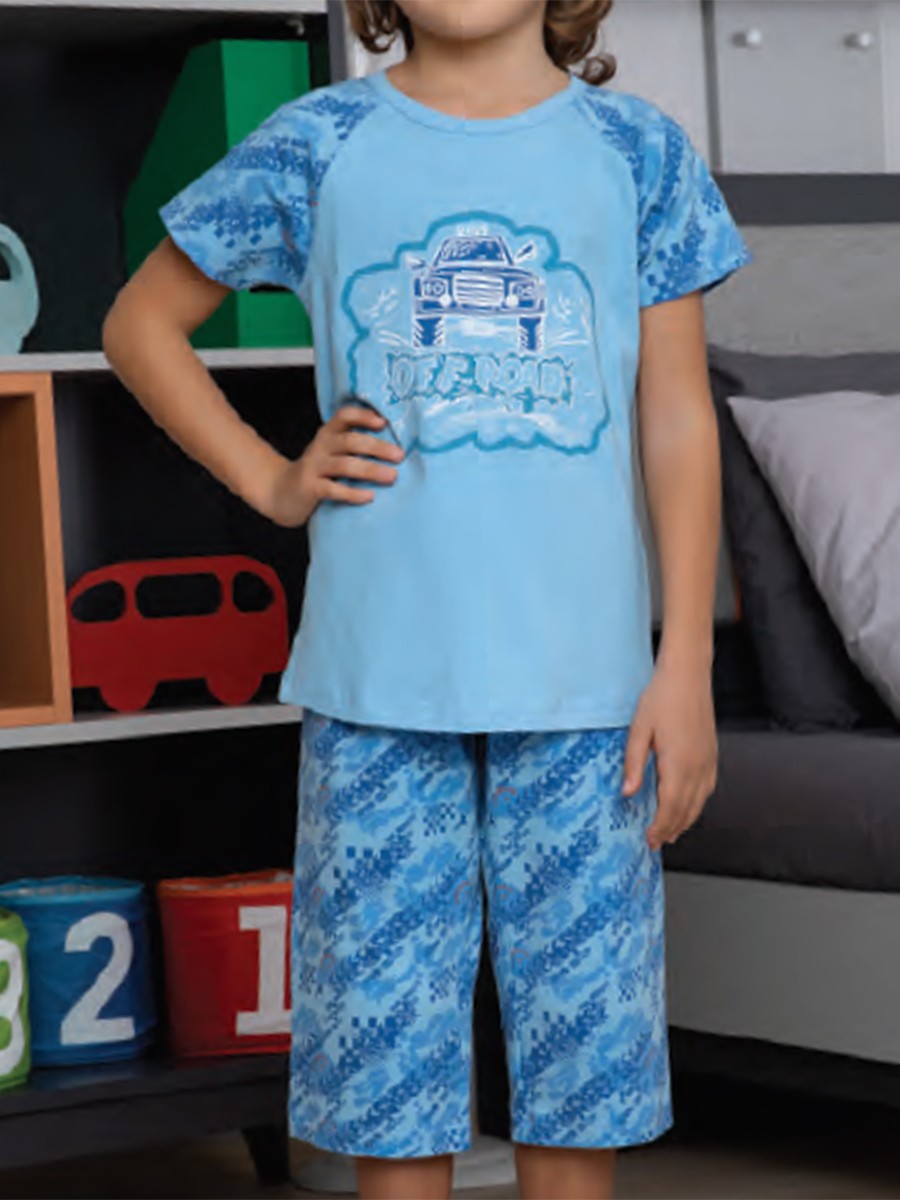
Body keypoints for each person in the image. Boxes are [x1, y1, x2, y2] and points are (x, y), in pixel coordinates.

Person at [102, 1, 751, 1196]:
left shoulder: (639, 152)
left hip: (592, 694)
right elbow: (140, 325)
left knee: (586, 1060)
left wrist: (687, 669)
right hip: (376, 686)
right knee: (385, 1071)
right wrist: (271, 479)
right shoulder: (319, 142)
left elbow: (675, 417)